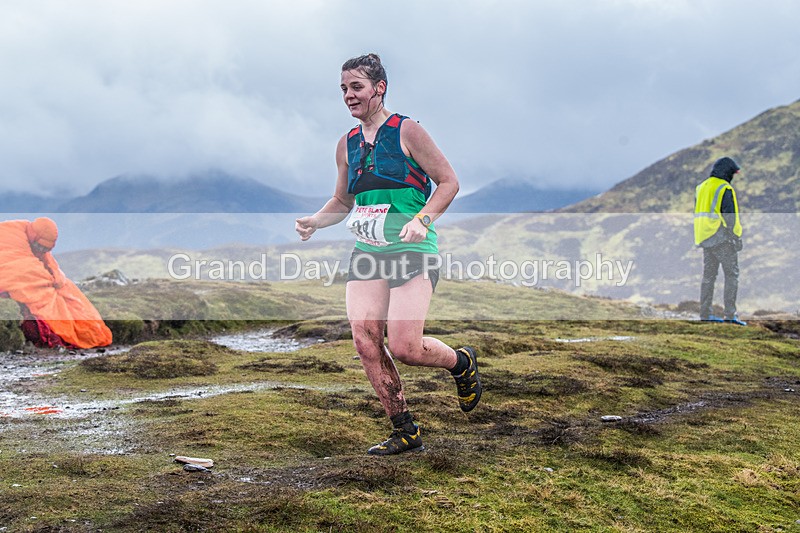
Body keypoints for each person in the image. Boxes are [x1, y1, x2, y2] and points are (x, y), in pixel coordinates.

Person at [295, 53, 481, 455]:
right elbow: (342, 201)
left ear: (379, 88)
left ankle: (461, 363)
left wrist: (424, 220)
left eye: (356, 87)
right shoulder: (346, 144)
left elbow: (448, 183)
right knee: (365, 341)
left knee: (405, 347)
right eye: (344, 88)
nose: (348, 95)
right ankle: (405, 430)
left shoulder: (407, 131)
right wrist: (315, 220)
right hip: (368, 253)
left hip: (413, 251)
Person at [0, 217, 113, 348]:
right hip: (12, 274)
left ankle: (87, 330)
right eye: (39, 246)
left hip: (30, 274)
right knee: (41, 292)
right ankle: (67, 331)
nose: (41, 250)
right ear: (34, 236)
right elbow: (19, 266)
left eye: (44, 248)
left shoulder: (33, 235)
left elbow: (47, 261)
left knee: (67, 289)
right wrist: (46, 279)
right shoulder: (10, 234)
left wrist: (55, 277)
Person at [693, 156, 746, 326]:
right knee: (731, 275)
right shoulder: (724, 188)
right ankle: (730, 315)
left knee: (709, 277)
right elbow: (729, 217)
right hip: (721, 238)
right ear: (728, 172)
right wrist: (735, 237)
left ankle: (705, 314)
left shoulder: (701, 187)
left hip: (705, 238)